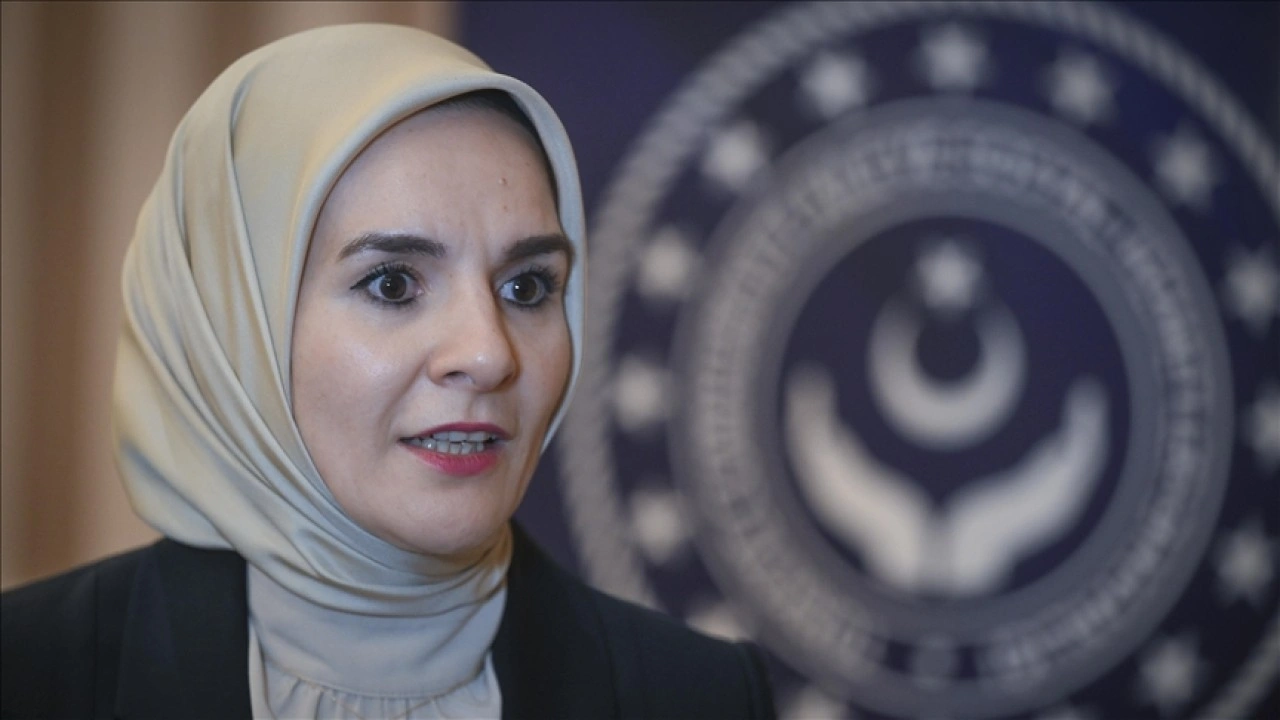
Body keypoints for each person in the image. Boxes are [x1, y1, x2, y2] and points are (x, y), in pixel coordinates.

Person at [0, 24, 775, 719]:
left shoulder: (696, 697)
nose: (489, 354)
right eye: (394, 284)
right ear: (234, 329)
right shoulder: (28, 675)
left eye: (527, 288)